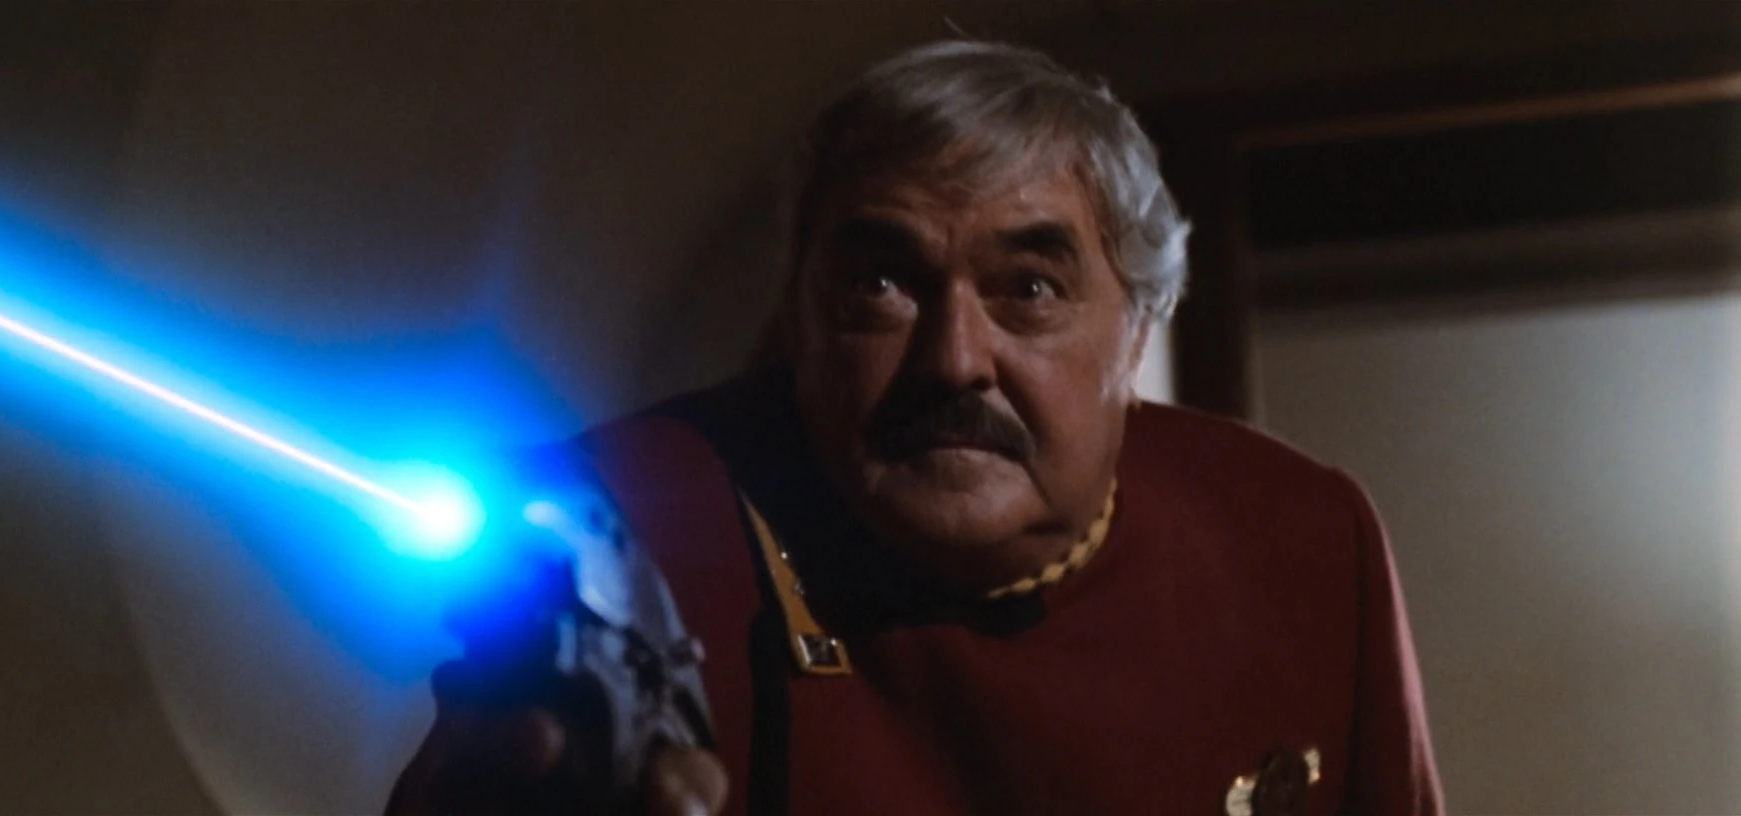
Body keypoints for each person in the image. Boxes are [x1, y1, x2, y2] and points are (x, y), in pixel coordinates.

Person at [388, 40, 1442, 816]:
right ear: (800, 315)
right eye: (881, 285)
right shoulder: (614, 532)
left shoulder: (1301, 539)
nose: (952, 359)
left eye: (1028, 287)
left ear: (1135, 331)